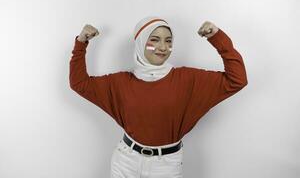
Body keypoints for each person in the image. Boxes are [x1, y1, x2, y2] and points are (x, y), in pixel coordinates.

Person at [69, 16, 248, 178]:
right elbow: (79, 83)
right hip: (125, 161)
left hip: (166, 166)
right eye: (154, 40)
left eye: (168, 41)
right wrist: (81, 42)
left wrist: (217, 38)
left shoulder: (188, 79)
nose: (163, 47)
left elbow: (237, 79)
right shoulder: (120, 82)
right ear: (140, 42)